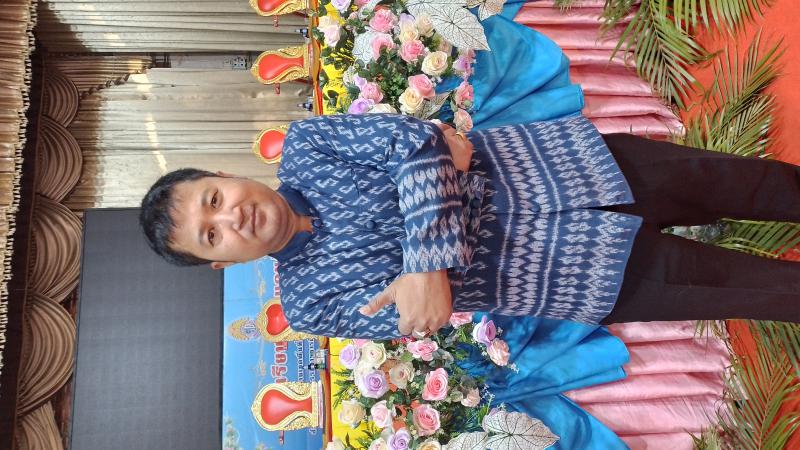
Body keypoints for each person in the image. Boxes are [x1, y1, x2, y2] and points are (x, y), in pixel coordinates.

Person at [140, 113, 800, 339]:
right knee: (767, 293)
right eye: (211, 234)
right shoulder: (311, 304)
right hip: (578, 275)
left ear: (222, 175)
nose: (231, 216)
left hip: (572, 167)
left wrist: (424, 264)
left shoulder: (309, 145)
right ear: (221, 263)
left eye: (214, 198)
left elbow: (411, 142)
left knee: (756, 185)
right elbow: (423, 312)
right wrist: (439, 175)